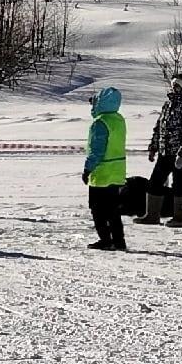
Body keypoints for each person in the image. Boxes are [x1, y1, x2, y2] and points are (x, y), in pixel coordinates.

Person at [145, 73, 182, 226]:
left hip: (180, 154)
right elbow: (159, 128)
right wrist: (153, 146)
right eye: (174, 85)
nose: (175, 88)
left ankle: (180, 218)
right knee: (155, 182)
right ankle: (152, 216)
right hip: (165, 151)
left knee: (179, 184)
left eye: (179, 85)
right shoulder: (167, 105)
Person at [82, 86, 128, 250]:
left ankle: (105, 239)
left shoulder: (100, 123)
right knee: (113, 210)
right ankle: (119, 240)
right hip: (117, 171)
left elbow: (97, 150)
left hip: (102, 172)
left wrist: (88, 169)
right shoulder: (119, 119)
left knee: (98, 209)